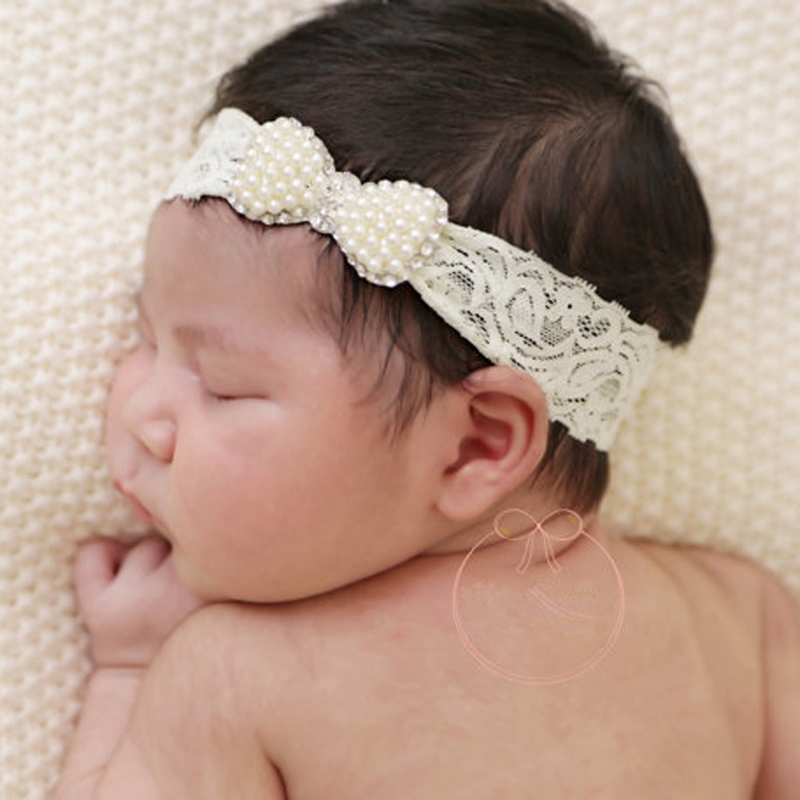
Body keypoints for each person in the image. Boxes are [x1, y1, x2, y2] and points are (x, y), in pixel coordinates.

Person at [56, 0, 800, 797]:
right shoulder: (735, 620)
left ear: (478, 444)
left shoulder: (235, 679)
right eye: (144, 337)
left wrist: (129, 671)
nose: (138, 409)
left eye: (225, 386)